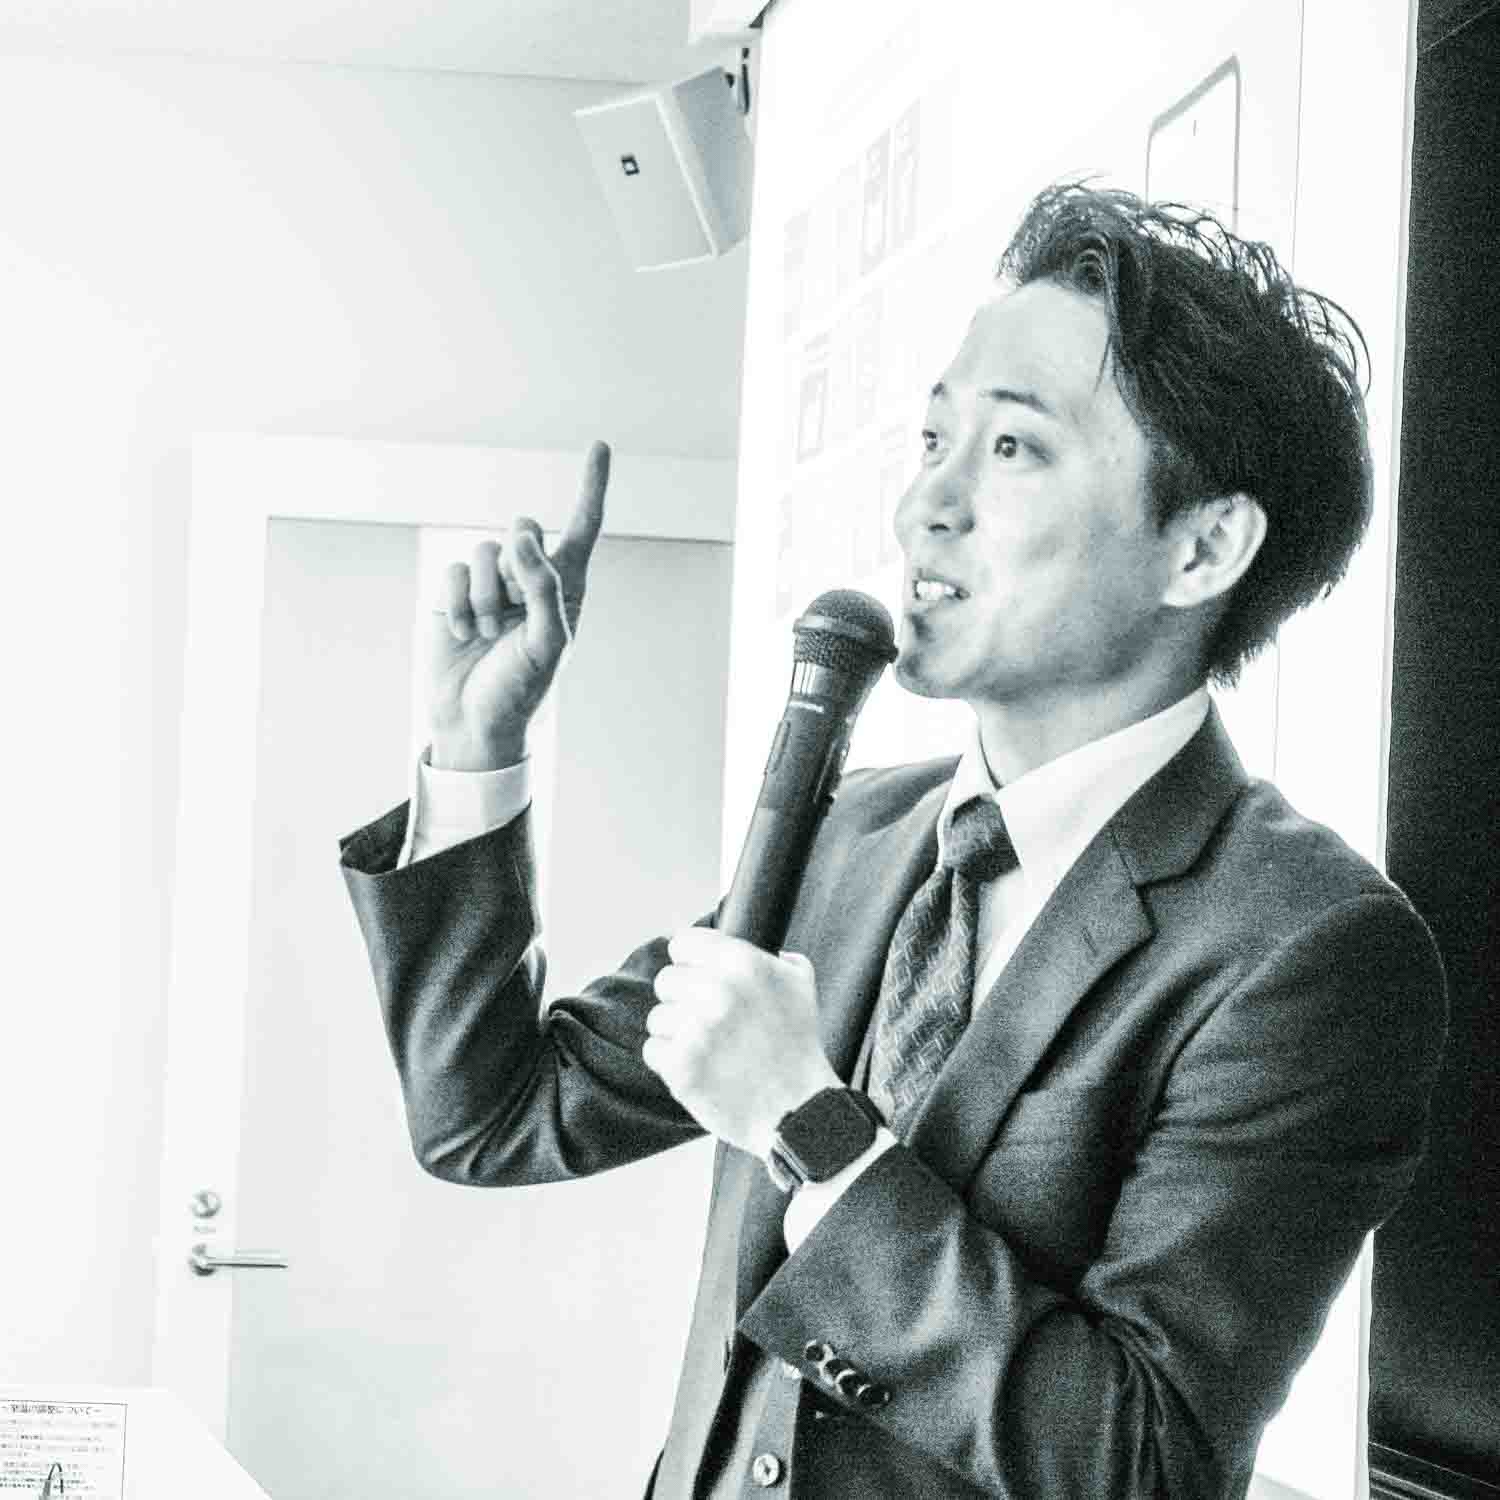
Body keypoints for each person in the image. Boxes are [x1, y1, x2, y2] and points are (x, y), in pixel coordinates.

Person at [340, 183, 1447, 1499]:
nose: (928, 500)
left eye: (1014, 447)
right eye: (933, 438)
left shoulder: (1308, 951)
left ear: (1202, 548)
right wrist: (475, 749)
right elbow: (491, 1117)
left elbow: (1139, 1464)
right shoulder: (856, 831)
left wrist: (811, 1130)